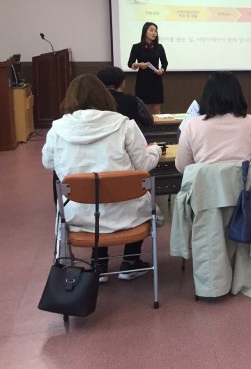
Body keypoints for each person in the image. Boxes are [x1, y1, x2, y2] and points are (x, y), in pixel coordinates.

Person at [42, 74, 161, 282]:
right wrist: (156, 151)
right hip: (125, 212)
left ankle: (100, 265)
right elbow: (143, 165)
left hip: (78, 215)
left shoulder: (57, 129)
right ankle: (130, 262)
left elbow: (48, 163)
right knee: (127, 195)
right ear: (104, 96)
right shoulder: (124, 125)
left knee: (94, 197)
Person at [176, 72, 251, 172]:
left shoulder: (192, 124)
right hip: (242, 185)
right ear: (238, 95)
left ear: (207, 96)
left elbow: (182, 167)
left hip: (204, 186)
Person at [128, 22, 168, 115]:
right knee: (143, 108)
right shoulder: (136, 47)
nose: (154, 33)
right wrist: (139, 65)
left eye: (155, 31)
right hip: (142, 80)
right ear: (145, 32)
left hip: (156, 80)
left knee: (156, 108)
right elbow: (130, 63)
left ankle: (157, 129)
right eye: (151, 30)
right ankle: (145, 129)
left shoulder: (159, 47)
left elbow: (165, 63)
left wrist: (161, 70)